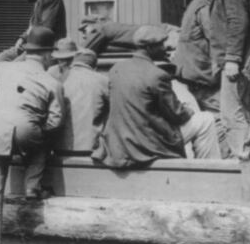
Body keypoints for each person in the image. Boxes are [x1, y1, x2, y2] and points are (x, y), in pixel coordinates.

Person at [0, 26, 64, 244]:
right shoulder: (52, 82)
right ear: (48, 55)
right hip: (26, 129)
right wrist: (37, 131)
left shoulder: (1, 68)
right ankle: (32, 186)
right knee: (41, 144)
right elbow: (56, 121)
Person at [92, 25, 220, 169]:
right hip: (147, 144)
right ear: (150, 48)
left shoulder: (116, 69)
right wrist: (189, 110)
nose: (165, 48)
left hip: (120, 144)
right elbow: (178, 115)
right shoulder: (157, 75)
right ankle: (209, 171)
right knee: (206, 119)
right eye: (161, 44)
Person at [172, 0, 230, 157]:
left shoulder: (199, 3)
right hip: (203, 85)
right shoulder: (205, 7)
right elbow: (219, 42)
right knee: (225, 124)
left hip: (192, 80)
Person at [202, 0, 250, 159]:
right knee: (239, 112)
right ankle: (249, 157)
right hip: (239, 60)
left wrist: (232, 59)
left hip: (237, 62)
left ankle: (243, 160)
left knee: (230, 113)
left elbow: (237, 23)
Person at [58, 49, 109, 154]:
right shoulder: (102, 80)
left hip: (61, 146)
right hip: (91, 146)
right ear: (94, 66)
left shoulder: (60, 79)